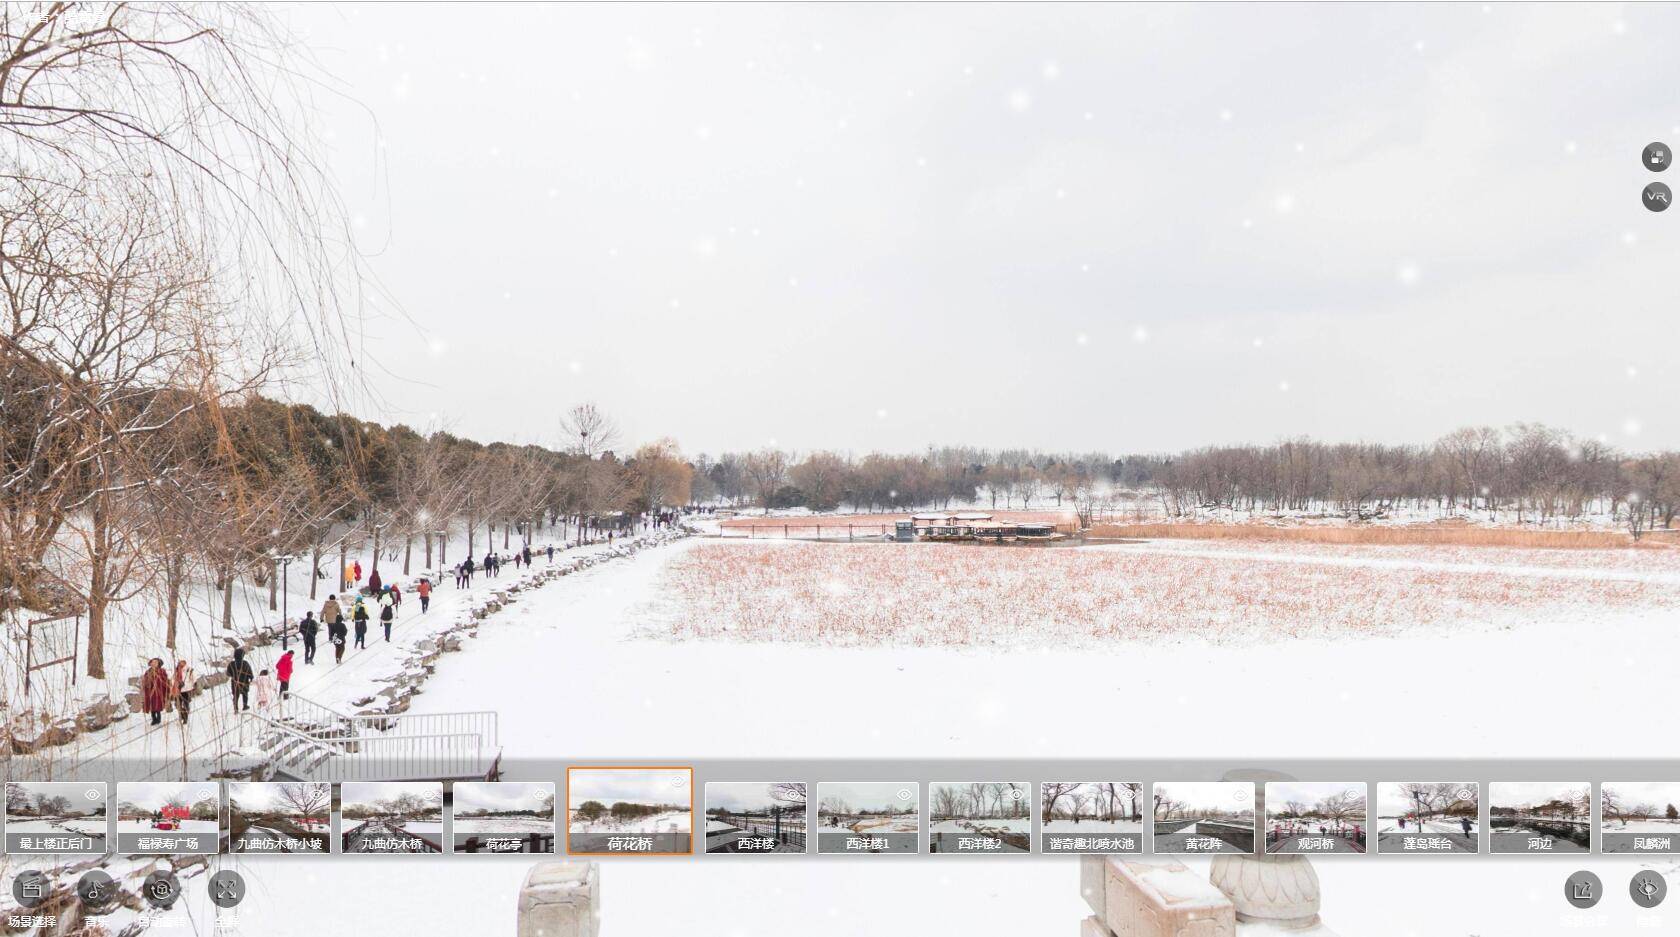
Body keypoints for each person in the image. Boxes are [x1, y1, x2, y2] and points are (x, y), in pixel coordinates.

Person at [140, 658, 169, 726]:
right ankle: (154, 719)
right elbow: (145, 681)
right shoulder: (148, 672)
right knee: (152, 705)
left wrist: (158, 678)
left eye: (155, 662)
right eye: (152, 662)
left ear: (158, 664)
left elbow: (165, 680)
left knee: (158, 705)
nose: (154, 663)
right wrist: (148, 682)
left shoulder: (162, 671)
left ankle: (158, 718)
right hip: (150, 692)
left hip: (159, 691)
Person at [171, 659, 196, 725]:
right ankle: (182, 715)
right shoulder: (176, 670)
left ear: (185, 662)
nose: (181, 663)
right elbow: (173, 679)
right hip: (178, 690)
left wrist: (190, 687)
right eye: (179, 662)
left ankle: (185, 718)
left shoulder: (189, 670)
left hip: (186, 690)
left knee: (185, 705)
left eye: (182, 662)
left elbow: (194, 679)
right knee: (177, 705)